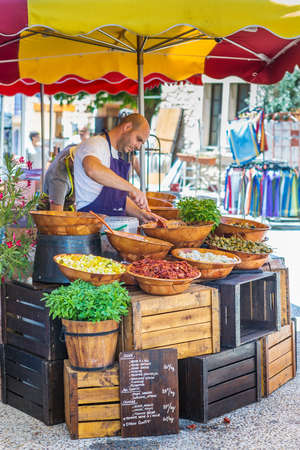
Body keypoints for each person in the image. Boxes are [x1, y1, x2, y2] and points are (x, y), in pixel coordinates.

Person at [74, 113, 152, 222]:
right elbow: (92, 169)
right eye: (138, 139)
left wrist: (142, 214)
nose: (138, 147)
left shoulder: (115, 154)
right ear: (127, 127)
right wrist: (132, 188)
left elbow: (117, 199)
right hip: (91, 227)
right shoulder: (95, 144)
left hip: (111, 228)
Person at [38, 145, 77, 211]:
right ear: (72, 161)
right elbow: (56, 214)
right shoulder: (59, 179)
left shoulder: (72, 149)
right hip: (51, 217)